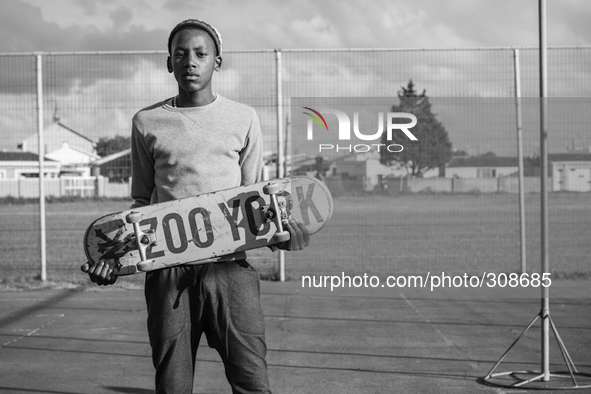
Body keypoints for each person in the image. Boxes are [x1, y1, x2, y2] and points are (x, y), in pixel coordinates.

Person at [82, 19, 309, 394]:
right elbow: (141, 205)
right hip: (169, 276)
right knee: (172, 385)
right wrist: (114, 261)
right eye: (181, 54)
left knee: (253, 381)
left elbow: (256, 199)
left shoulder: (244, 118)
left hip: (231, 271)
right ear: (168, 63)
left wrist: (281, 237)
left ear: (217, 61)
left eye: (201, 54)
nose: (191, 61)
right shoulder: (146, 122)